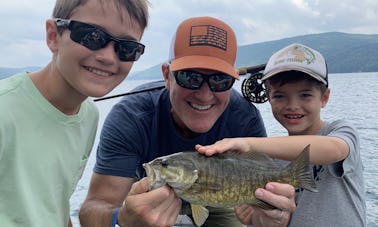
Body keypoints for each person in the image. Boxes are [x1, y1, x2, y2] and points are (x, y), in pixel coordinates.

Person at [79, 16, 296, 227]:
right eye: (189, 77)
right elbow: (94, 209)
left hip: (218, 199)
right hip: (148, 195)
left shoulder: (244, 120)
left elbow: (264, 188)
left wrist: (271, 217)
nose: (204, 95)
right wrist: (123, 219)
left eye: (220, 81)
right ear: (167, 76)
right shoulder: (131, 117)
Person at [0, 0, 148, 226]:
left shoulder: (88, 115)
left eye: (126, 48)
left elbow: (54, 207)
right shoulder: (5, 108)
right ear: (53, 36)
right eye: (92, 36)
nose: (108, 57)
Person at [196, 43, 366, 226]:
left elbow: (334, 149)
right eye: (279, 96)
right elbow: (277, 217)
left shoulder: (340, 131)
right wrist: (255, 217)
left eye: (305, 95)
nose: (292, 105)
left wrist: (249, 144)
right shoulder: (268, 161)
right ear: (268, 98)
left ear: (324, 97)